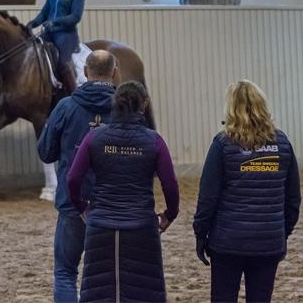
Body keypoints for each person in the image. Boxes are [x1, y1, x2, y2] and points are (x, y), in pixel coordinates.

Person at [67, 81, 179, 302]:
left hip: (101, 225)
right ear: (144, 104)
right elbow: (170, 185)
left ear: (115, 104)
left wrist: (82, 207)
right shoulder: (154, 141)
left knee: (99, 294)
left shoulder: (94, 137)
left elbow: (73, 178)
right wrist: (170, 214)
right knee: (144, 294)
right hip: (142, 226)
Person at [193, 80, 300, 303]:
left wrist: (200, 234)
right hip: (268, 242)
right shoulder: (282, 143)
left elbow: (208, 197)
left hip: (227, 242)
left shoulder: (223, 143)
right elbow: (293, 200)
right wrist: (280, 232)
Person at [36, 50, 116, 303]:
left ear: (84, 72)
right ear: (113, 73)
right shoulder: (126, 108)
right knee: (107, 275)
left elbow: (45, 152)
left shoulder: (66, 106)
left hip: (74, 202)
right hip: (115, 204)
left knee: (65, 271)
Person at [27, 0, 85, 93]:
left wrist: (55, 22)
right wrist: (32, 24)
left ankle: (74, 95)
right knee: (32, 52)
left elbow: (75, 17)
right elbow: (45, 12)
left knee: (63, 63)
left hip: (65, 35)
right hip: (49, 32)